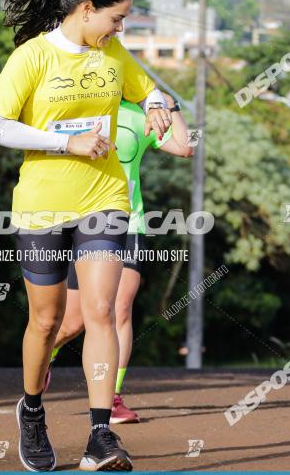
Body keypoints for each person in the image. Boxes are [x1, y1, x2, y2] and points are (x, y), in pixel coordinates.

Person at [0, 0, 172, 472]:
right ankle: (32, 410)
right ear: (86, 10)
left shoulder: (111, 53)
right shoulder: (32, 57)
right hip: (43, 203)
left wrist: (156, 102)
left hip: (105, 198)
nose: (120, 29)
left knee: (101, 312)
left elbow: (147, 86)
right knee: (45, 322)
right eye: (116, 18)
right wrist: (67, 142)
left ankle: (99, 436)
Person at [47, 92, 193, 423]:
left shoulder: (140, 116)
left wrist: (172, 105)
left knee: (120, 308)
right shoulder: (79, 107)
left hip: (128, 223)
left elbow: (185, 147)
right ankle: (44, 356)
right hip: (84, 224)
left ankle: (111, 399)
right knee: (74, 322)